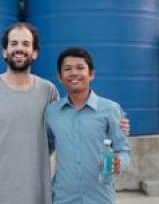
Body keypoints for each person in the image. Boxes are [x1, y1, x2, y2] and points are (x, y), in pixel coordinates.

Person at [0, 22, 129, 204]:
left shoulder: (47, 91)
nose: (19, 48)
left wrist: (116, 125)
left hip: (37, 194)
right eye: (14, 43)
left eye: (26, 44)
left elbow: (64, 126)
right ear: (4, 51)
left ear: (34, 53)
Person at [45, 47, 131, 204]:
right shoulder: (51, 112)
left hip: (100, 198)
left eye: (80, 68)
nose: (74, 73)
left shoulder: (110, 109)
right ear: (60, 77)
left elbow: (123, 150)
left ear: (91, 74)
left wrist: (120, 163)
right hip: (62, 199)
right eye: (67, 69)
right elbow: (44, 149)